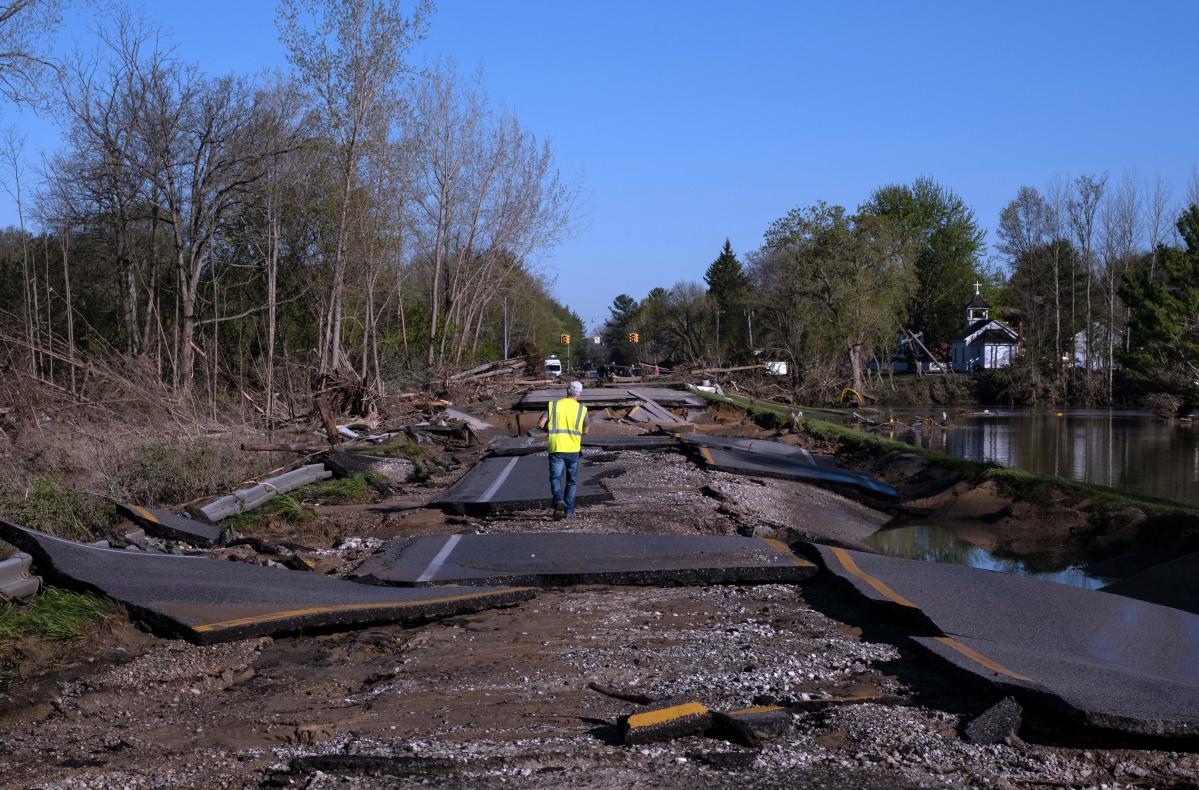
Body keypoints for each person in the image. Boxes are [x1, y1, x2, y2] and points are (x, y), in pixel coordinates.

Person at [537, 379, 589, 520]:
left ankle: (559, 500)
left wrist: (550, 428)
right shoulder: (582, 409)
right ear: (579, 394)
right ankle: (569, 511)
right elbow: (586, 431)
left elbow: (541, 424)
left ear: (567, 391)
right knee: (571, 481)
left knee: (555, 478)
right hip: (573, 449)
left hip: (556, 448)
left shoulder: (553, 406)